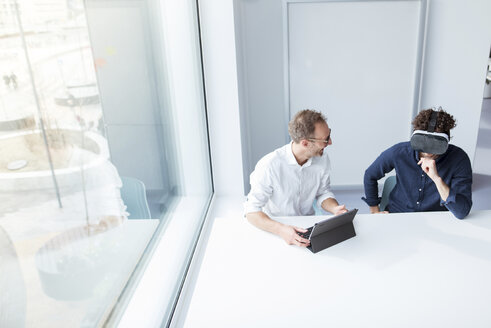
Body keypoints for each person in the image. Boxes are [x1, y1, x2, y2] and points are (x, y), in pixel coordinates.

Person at [244, 109, 348, 248]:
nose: (330, 143)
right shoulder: (269, 166)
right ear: (305, 143)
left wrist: (335, 208)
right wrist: (280, 229)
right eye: (325, 140)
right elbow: (251, 211)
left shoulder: (322, 159)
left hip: (307, 227)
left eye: (329, 135)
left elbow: (323, 192)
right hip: (276, 229)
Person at [362, 107, 472, 219]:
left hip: (436, 218)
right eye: (423, 144)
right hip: (397, 215)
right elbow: (370, 175)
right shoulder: (399, 152)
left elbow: (461, 212)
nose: (428, 152)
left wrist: (437, 179)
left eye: (435, 145)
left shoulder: (459, 159)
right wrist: (374, 212)